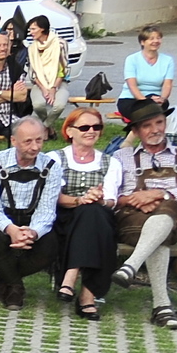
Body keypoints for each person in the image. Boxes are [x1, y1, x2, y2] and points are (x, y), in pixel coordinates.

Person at [99, 99, 177, 331]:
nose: (155, 130)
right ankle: (162, 307)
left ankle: (130, 266)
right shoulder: (122, 157)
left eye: (159, 122)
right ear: (135, 131)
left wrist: (158, 195)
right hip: (132, 220)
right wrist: (136, 199)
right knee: (160, 234)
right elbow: (111, 196)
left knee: (170, 207)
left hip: (173, 219)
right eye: (147, 126)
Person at [0, 116, 62, 310]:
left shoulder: (51, 167)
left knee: (50, 247)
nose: (35, 147)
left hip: (33, 220)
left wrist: (33, 232)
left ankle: (4, 280)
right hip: (3, 220)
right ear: (14, 141)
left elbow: (47, 209)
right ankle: (16, 287)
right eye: (28, 141)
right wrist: (11, 229)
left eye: (39, 140)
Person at [50, 107, 119, 319]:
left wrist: (99, 199)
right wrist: (80, 200)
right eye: (84, 127)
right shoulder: (55, 158)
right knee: (90, 215)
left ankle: (70, 277)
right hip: (64, 218)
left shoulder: (111, 162)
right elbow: (52, 197)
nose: (91, 131)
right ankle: (87, 298)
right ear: (69, 131)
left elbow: (112, 201)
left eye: (96, 127)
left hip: (97, 217)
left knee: (93, 212)